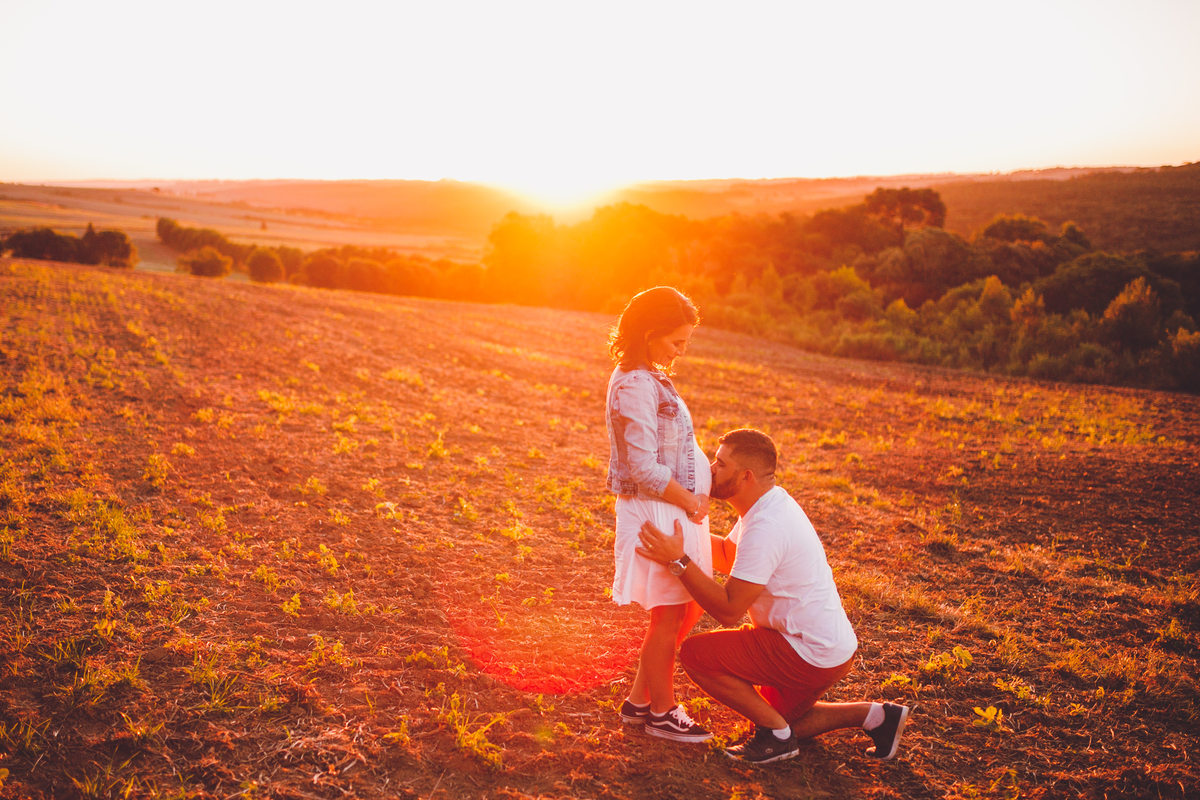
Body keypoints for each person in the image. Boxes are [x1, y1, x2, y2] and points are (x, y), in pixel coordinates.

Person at [637, 428, 910, 764]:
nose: (710, 469)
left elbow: (728, 610)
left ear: (745, 476)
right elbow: (726, 554)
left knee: (696, 655)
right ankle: (876, 717)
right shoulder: (770, 504)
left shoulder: (767, 525)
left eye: (720, 464)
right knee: (783, 718)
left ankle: (776, 739)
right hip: (827, 648)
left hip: (807, 651)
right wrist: (675, 537)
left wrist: (678, 560)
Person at [605, 286, 715, 743]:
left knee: (683, 609)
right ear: (649, 334)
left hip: (673, 507)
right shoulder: (633, 384)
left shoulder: (647, 376)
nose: (681, 352)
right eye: (676, 342)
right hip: (659, 510)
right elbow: (643, 467)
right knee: (670, 614)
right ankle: (663, 713)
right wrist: (691, 502)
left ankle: (639, 701)